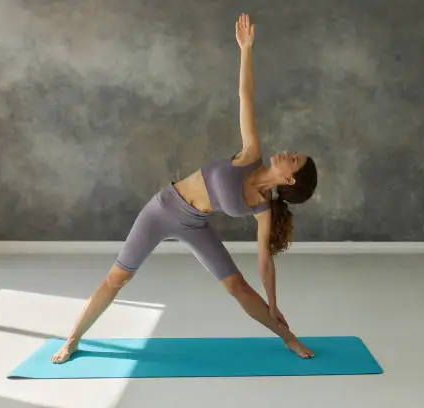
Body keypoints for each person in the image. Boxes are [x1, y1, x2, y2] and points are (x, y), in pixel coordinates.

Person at [51, 13, 318, 364]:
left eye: (293, 160)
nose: (288, 153)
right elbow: (245, 96)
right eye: (294, 154)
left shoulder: (263, 207)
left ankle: (289, 339)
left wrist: (272, 302)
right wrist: (246, 51)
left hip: (195, 225)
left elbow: (265, 261)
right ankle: (71, 339)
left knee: (238, 288)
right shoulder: (251, 154)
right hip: (162, 209)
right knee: (116, 280)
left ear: (289, 181)